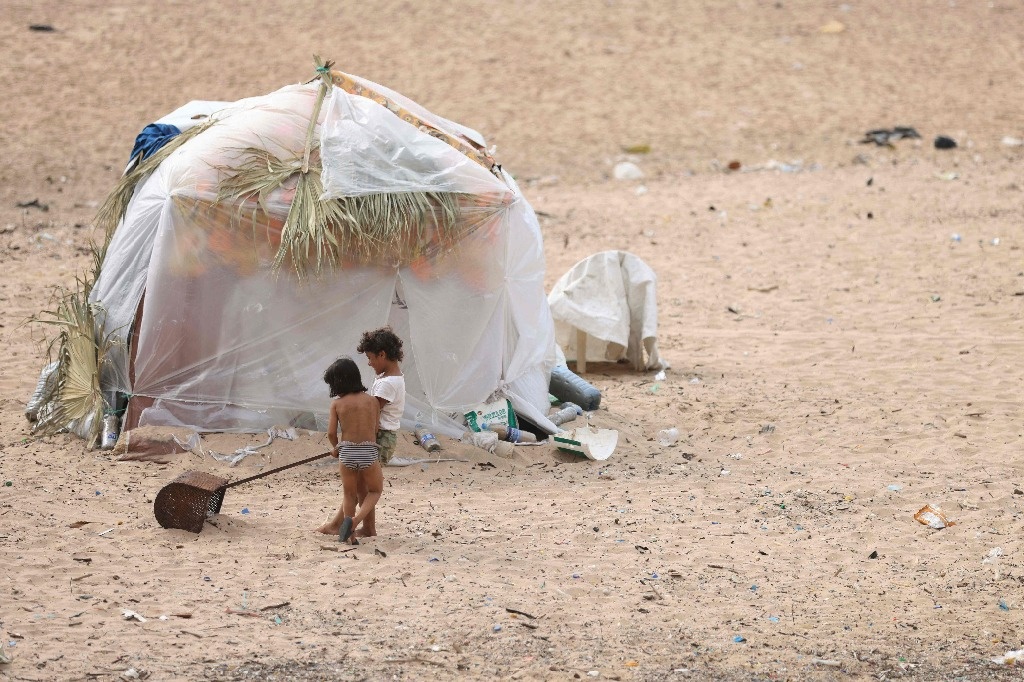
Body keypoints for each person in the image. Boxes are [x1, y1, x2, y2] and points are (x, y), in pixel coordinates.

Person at [316, 357, 383, 545]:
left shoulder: (337, 404)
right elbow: (375, 429)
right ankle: (356, 521)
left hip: (346, 452)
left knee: (349, 494)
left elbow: (331, 432)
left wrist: (336, 448)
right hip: (368, 451)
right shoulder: (372, 402)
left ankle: (350, 535)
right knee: (375, 490)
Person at [353, 327, 406, 537]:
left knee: (366, 486)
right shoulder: (390, 378)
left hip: (380, 438)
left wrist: (363, 437)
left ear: (382, 354)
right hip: (381, 436)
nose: (369, 363)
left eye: (370, 357)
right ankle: (368, 527)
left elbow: (372, 414)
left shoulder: (388, 384)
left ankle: (363, 525)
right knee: (362, 484)